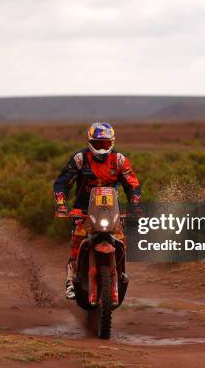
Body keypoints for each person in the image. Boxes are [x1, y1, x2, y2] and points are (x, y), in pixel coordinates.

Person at [53, 122, 141, 299]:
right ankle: (71, 281)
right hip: (83, 209)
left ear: (112, 143)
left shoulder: (119, 160)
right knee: (77, 242)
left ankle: (121, 274)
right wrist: (61, 203)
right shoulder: (80, 158)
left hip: (111, 210)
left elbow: (133, 184)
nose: (102, 148)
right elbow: (62, 182)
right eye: (98, 144)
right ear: (90, 142)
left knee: (122, 241)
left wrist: (135, 204)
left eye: (106, 144)